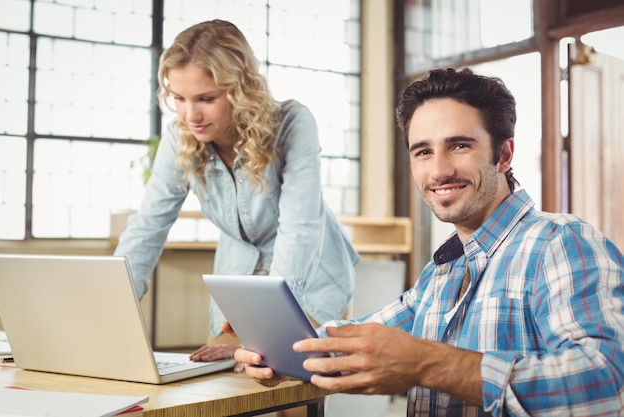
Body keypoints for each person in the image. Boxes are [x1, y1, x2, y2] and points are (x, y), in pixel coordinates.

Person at [234, 67, 624, 416]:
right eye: (423, 151)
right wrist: (275, 351)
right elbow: (354, 342)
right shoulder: (440, 275)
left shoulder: (560, 242)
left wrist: (428, 364)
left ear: (503, 154)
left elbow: (608, 379)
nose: (438, 170)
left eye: (459, 145)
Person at [114, 19, 358, 365]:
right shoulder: (180, 136)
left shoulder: (292, 123)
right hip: (237, 282)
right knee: (220, 391)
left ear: (240, 88)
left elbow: (300, 228)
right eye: (179, 98)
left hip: (310, 280)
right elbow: (148, 225)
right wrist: (112, 304)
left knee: (291, 390)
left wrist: (268, 335)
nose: (189, 114)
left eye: (206, 98)